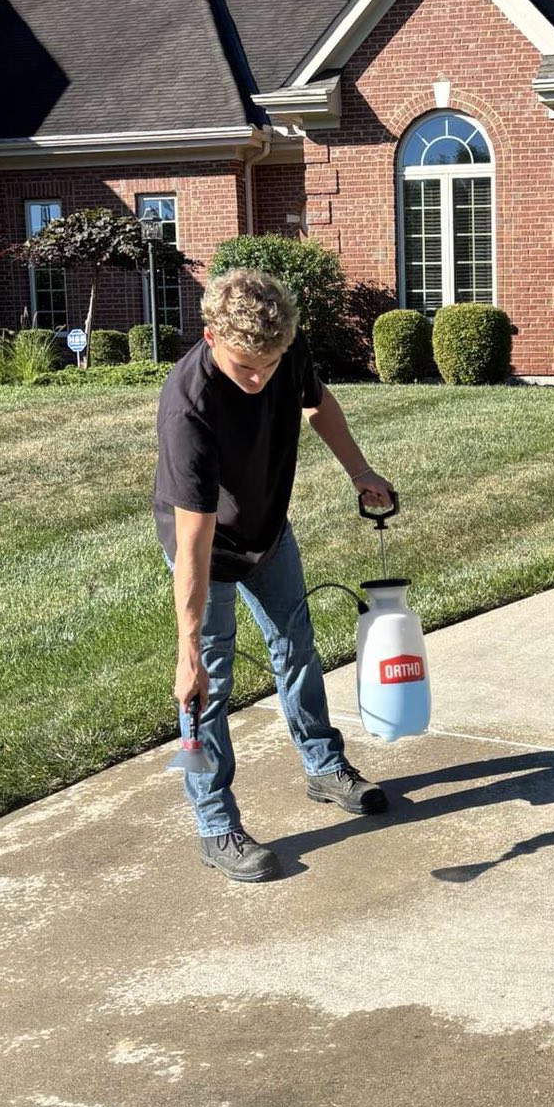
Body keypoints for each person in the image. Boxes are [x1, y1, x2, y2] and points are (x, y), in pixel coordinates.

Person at [154, 267, 396, 882]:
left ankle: (323, 766)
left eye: (271, 363)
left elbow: (318, 403)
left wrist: (358, 471)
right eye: (246, 367)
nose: (260, 379)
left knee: (297, 648)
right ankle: (214, 826)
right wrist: (186, 649)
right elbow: (193, 537)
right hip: (206, 549)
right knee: (207, 682)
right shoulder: (190, 407)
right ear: (211, 337)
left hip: (268, 531)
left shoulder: (281, 346)